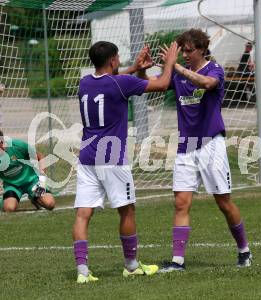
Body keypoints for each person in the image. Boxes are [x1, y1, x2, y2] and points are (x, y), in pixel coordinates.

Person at [138, 28, 252, 272]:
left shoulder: (214, 69)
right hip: (186, 145)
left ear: (202, 49)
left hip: (211, 143)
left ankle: (244, 250)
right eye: (183, 52)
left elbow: (207, 83)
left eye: (189, 51)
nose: (186, 55)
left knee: (223, 202)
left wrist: (175, 66)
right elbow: (150, 85)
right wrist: (142, 68)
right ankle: (178, 261)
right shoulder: (178, 75)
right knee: (181, 203)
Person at [72, 41, 180, 283]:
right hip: (111, 158)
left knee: (83, 214)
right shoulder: (121, 83)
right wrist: (170, 62)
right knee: (127, 209)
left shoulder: (85, 83)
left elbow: (111, 82)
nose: (119, 61)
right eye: (118, 57)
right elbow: (162, 84)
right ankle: (131, 266)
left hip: (87, 156)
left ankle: (82, 273)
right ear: (112, 60)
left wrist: (135, 67)